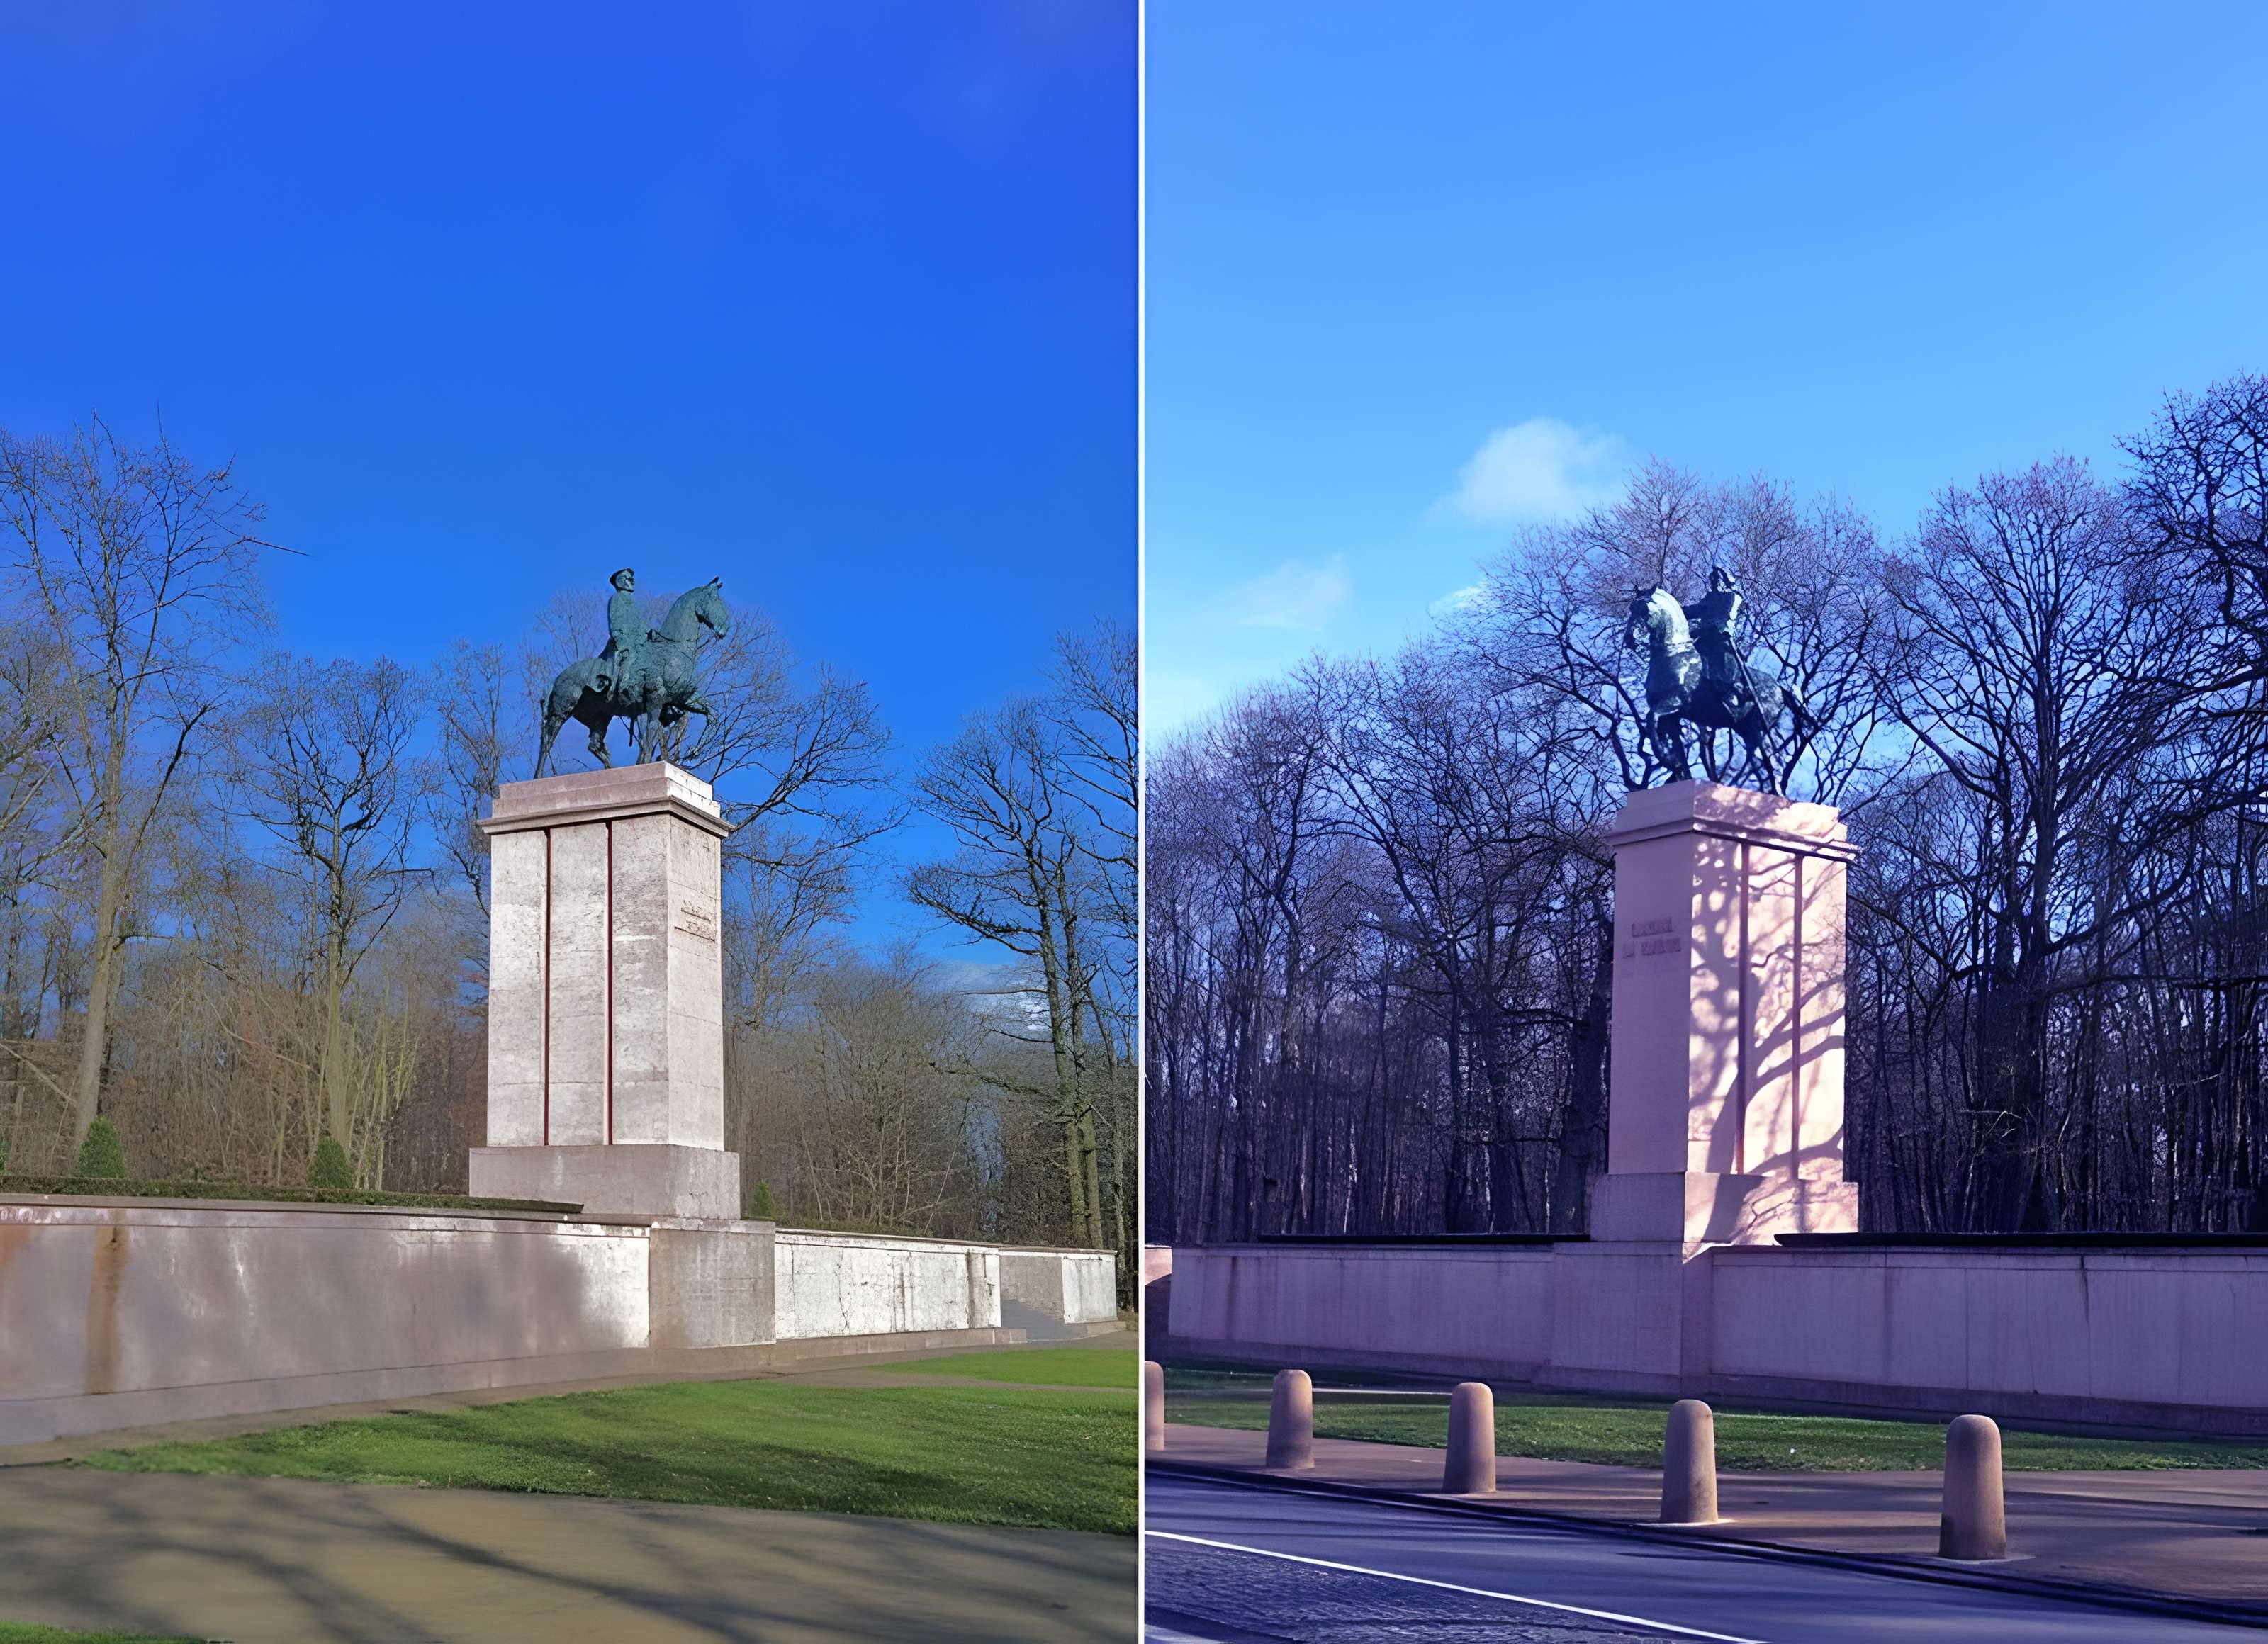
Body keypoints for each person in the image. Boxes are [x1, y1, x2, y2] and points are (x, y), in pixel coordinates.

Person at [1687, 565, 1750, 712]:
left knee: (1719, 661)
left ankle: (1732, 692)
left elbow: (1725, 617)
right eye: (1712, 580)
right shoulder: (1710, 599)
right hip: (1704, 638)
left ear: (1725, 582)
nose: (1714, 583)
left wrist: (1704, 629)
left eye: (1717, 580)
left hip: (1719, 638)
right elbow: (1691, 611)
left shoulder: (1732, 598)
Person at [595, 567, 651, 704]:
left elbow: (641, 624)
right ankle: (623, 688)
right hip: (621, 643)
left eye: (633, 579)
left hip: (637, 642)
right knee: (627, 658)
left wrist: (650, 632)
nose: (632, 581)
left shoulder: (632, 603)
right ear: (620, 582)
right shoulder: (617, 599)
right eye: (628, 579)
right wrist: (622, 642)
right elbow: (615, 626)